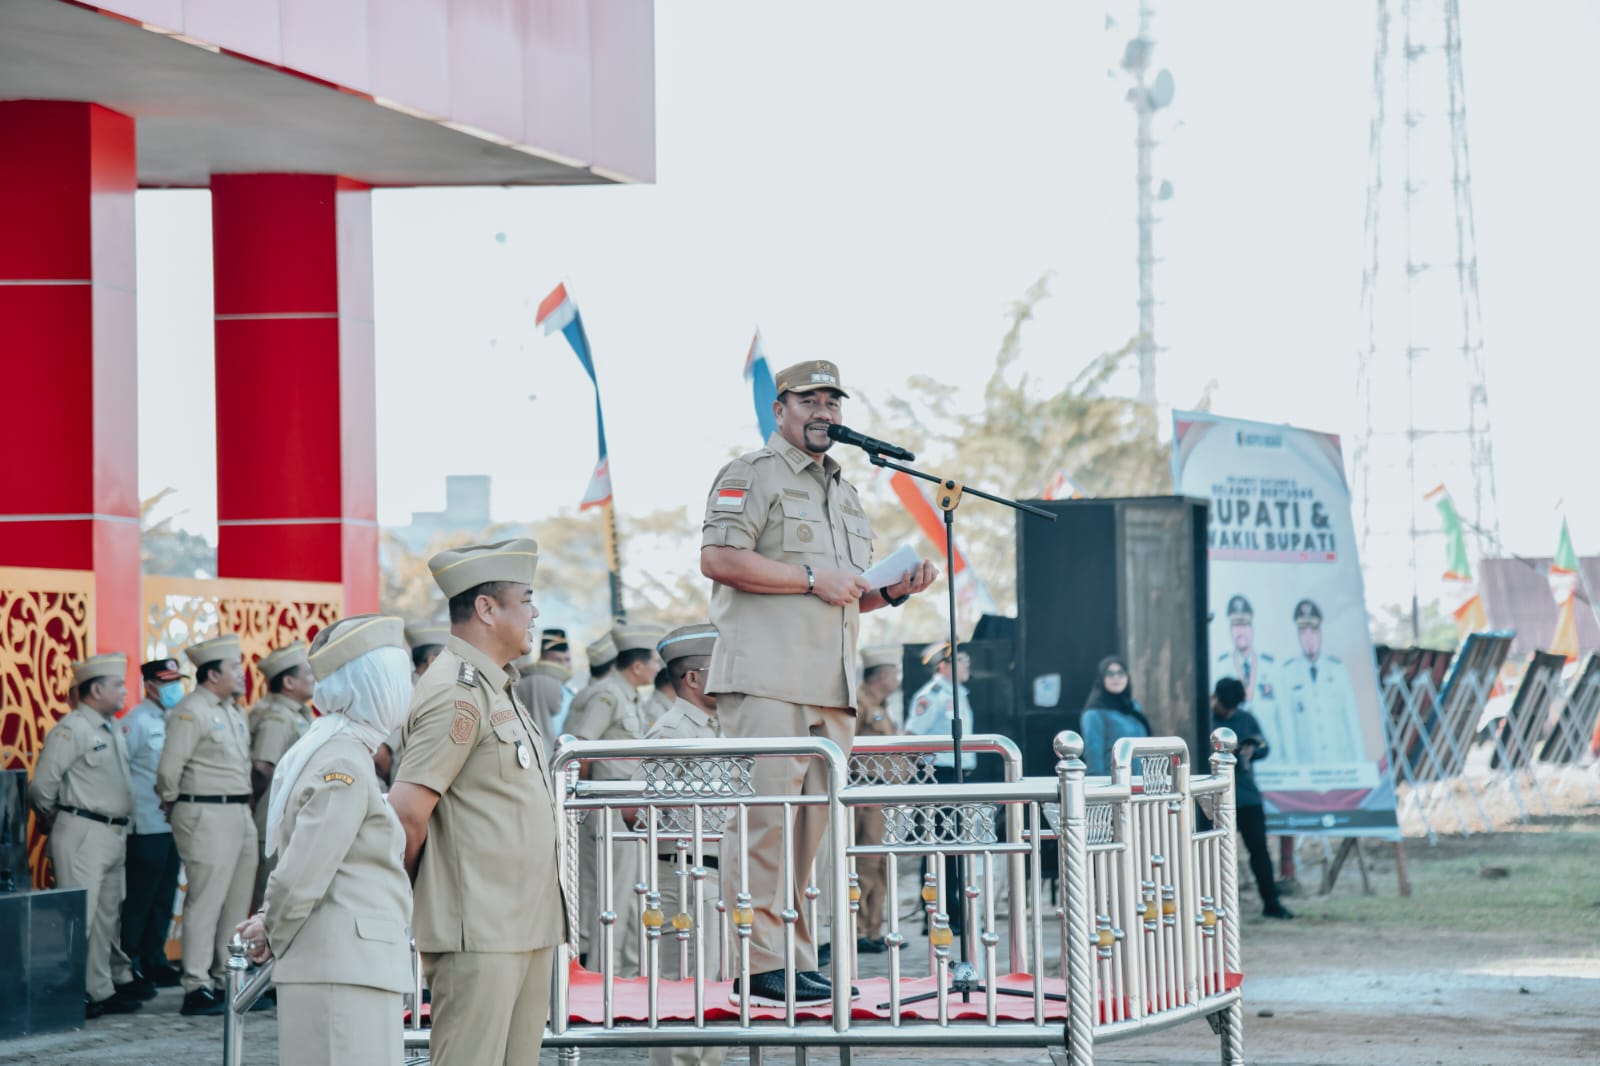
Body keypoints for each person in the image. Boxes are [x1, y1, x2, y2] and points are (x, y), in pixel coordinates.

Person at [700, 358, 936, 1005]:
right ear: (780, 410)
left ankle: (794, 958)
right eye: (809, 401)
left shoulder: (846, 493)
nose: (824, 413)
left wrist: (890, 592)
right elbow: (718, 558)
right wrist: (810, 576)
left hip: (831, 688)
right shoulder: (752, 474)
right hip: (767, 680)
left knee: (809, 835)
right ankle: (755, 961)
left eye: (833, 402)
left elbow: (842, 597)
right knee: (764, 825)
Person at [388, 538, 568, 1066]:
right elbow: (406, 813)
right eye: (526, 599)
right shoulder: (457, 692)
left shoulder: (497, 687)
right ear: (487, 609)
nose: (535, 612)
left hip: (523, 922)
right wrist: (434, 897)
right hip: (480, 930)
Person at [233, 614, 416, 1065]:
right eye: (400, 680)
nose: (407, 691)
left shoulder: (340, 750)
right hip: (345, 969)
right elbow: (303, 871)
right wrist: (270, 926)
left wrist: (268, 920)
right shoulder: (345, 763)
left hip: (349, 966)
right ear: (375, 687)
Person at [29, 653, 144, 1018]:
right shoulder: (73, 728)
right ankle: (68, 993)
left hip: (111, 833)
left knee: (107, 917)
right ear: (96, 689)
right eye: (118, 685)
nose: (125, 691)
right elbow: (42, 787)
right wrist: (53, 817)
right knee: (80, 917)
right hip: (83, 830)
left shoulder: (110, 729)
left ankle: (98, 989)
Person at [157, 633, 258, 1016]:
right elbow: (169, 770)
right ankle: (196, 985)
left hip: (238, 812)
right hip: (205, 811)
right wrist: (173, 802)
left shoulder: (233, 710)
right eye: (234, 667)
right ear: (212, 674)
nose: (241, 673)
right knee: (206, 898)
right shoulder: (191, 710)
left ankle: (225, 976)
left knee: (236, 899)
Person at [639, 622, 727, 1066]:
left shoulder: (718, 726)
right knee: (683, 992)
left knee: (715, 993)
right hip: (685, 872)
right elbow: (634, 809)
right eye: (721, 666)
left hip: (720, 873)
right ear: (692, 678)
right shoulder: (672, 732)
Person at [566, 622, 666, 976]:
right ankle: (605, 974)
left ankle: (623, 972)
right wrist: (585, 804)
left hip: (629, 807)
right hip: (608, 804)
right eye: (653, 661)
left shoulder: (629, 697)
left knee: (630, 892)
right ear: (637, 666)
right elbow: (579, 747)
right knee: (611, 894)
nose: (658, 667)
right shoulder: (608, 695)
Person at [119, 657, 187, 989]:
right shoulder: (137, 723)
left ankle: (155, 957)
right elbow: (121, 771)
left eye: (177, 681)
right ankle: (130, 960)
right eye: (167, 682)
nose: (175, 688)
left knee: (165, 895)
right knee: (140, 897)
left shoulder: (179, 720)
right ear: (150, 686)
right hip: (145, 824)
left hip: (173, 825)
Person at [1210, 678, 1295, 920]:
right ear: (1215, 699)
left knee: (1259, 851)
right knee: (1213, 852)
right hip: (1213, 796)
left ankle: (1271, 903)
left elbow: (1264, 746)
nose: (1229, 712)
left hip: (1246, 795)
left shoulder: (1246, 719)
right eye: (1226, 707)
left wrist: (1252, 750)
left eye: (1233, 708)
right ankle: (1217, 906)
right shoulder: (1203, 719)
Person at [904, 642, 974, 935]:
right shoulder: (932, 696)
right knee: (937, 848)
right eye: (960, 660)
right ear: (942, 665)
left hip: (956, 776)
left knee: (953, 848)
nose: (967, 665)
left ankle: (953, 911)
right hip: (937, 776)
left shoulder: (957, 695)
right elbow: (911, 736)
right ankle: (935, 913)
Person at [248, 641, 315, 911]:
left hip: (292, 817)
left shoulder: (298, 714)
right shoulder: (277, 717)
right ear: (288, 681)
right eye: (308, 673)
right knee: (269, 898)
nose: (314, 679)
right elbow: (262, 769)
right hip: (273, 819)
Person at [567, 631, 618, 964]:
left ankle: (592, 958)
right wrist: (582, 798)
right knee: (603, 889)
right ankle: (598, 966)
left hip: (596, 804)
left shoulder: (590, 692)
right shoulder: (606, 695)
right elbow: (582, 748)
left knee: (594, 886)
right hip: (597, 804)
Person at [852, 646, 902, 954]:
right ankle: (856, 931)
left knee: (880, 866)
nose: (897, 679)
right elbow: (846, 748)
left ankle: (872, 930)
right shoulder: (859, 703)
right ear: (882, 675)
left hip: (884, 793)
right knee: (865, 865)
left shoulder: (881, 705)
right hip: (865, 792)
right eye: (894, 673)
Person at [1278, 599, 1366, 764]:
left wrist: (1360, 763)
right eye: (1304, 632)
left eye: (1313, 631)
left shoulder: (1337, 670)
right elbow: (1287, 727)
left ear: (1320, 633)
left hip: (1341, 761)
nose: (1309, 638)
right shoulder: (1288, 673)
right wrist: (1293, 767)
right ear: (1298, 635)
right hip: (1308, 763)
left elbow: (1352, 721)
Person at [375, 620, 449, 787]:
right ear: (432, 661)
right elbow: (381, 754)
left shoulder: (427, 693)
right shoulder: (411, 695)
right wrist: (393, 783)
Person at [1215, 594, 1284, 748]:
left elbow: (1284, 719)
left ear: (1252, 627)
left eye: (1244, 625)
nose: (1240, 631)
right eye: (1235, 625)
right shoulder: (1220, 666)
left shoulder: (1271, 668)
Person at [1080, 655, 1152, 777]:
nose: (1116, 677)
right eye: (1110, 673)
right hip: (1114, 786)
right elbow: (1093, 755)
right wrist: (1100, 790)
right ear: (1102, 678)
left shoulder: (1132, 707)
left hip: (1140, 784)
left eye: (1121, 673)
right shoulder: (1094, 713)